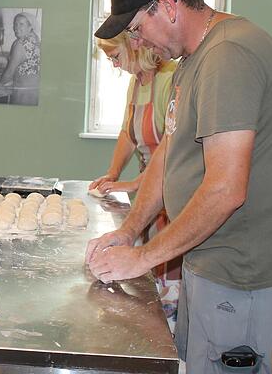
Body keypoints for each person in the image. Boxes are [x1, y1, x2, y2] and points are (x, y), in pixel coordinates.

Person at [86, 0, 272, 374]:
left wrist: (145, 258)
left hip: (242, 269)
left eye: (137, 30)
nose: (139, 43)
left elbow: (226, 189)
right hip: (210, 258)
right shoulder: (193, 60)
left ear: (167, 5)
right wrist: (129, 232)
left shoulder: (229, 56)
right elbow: (169, 154)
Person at [89, 32, 180, 330]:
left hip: (170, 196)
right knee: (148, 282)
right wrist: (114, 173)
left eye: (116, 57)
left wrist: (135, 184)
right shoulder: (136, 81)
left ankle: (170, 347)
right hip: (148, 197)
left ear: (133, 45)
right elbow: (128, 133)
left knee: (168, 288)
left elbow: (172, 149)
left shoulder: (170, 77)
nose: (115, 65)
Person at [0, 12, 40, 105]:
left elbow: (10, 71)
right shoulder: (36, 39)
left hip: (23, 92)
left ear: (30, 26)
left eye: (21, 24)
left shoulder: (20, 44)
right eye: (15, 24)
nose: (16, 27)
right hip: (35, 90)